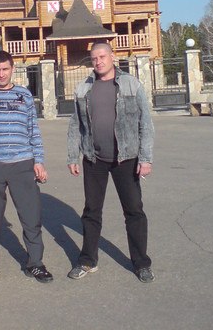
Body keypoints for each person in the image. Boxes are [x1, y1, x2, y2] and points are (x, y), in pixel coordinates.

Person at [67, 41, 155, 282]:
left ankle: (141, 263)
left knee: (134, 211)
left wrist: (146, 158)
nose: (98, 62)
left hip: (126, 158)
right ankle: (88, 260)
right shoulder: (84, 88)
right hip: (94, 159)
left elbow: (145, 123)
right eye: (94, 58)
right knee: (91, 211)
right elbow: (76, 125)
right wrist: (73, 155)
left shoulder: (131, 84)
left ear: (112, 56)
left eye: (102, 56)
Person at [0, 50, 53, 288]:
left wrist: (38, 160)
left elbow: (33, 131)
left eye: (5, 69)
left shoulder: (24, 95)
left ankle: (35, 263)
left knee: (31, 217)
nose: (2, 74)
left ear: (12, 69)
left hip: (23, 164)